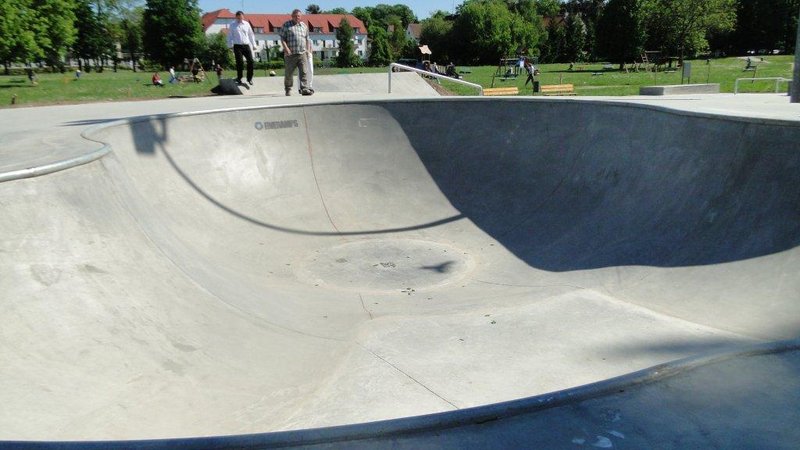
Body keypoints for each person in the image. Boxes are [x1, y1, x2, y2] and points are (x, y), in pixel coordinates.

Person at [281, 9, 313, 96]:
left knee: (304, 72)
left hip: (302, 53)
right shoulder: (286, 25)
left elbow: (307, 39)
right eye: (295, 16)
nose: (296, 17)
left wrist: (307, 50)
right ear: (292, 16)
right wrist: (286, 48)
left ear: (300, 17)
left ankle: (304, 89)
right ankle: (288, 89)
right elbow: (282, 38)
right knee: (289, 73)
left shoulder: (304, 26)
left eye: (298, 16)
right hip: (290, 54)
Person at [227, 10, 256, 85]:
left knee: (250, 61)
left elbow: (251, 35)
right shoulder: (232, 25)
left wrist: (254, 45)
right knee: (239, 62)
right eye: (238, 18)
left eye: (241, 18)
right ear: (236, 17)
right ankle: (239, 77)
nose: (240, 19)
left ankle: (249, 78)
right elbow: (230, 36)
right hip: (237, 46)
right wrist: (230, 46)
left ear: (243, 17)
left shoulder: (246, 24)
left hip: (246, 45)